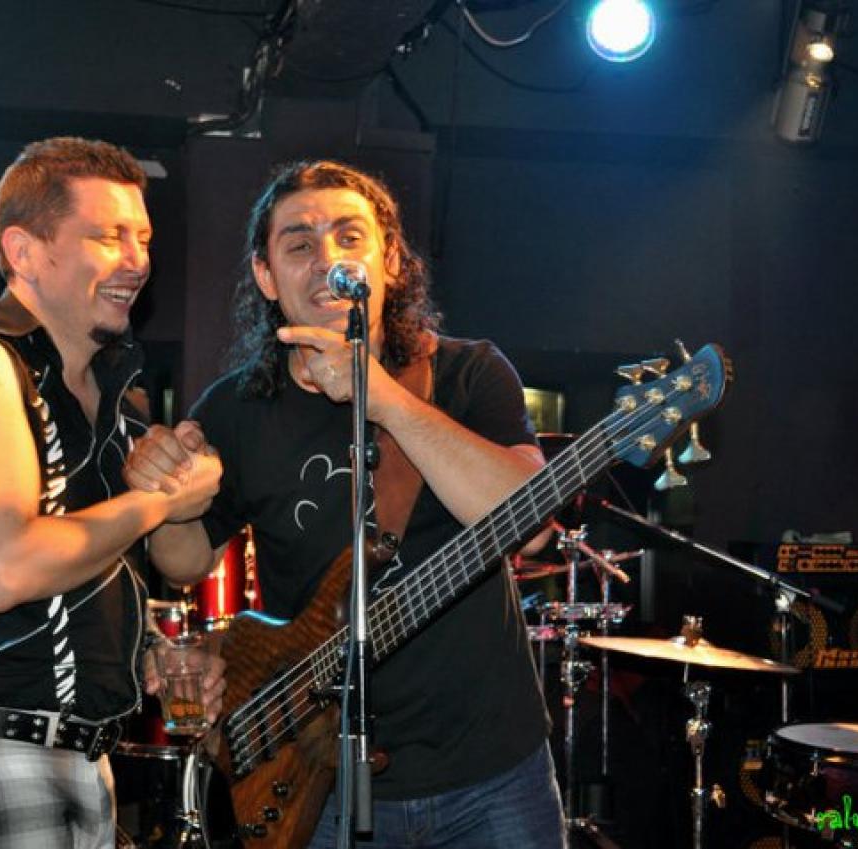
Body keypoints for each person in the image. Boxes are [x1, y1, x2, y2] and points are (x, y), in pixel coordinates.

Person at [134, 160, 565, 847]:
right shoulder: (237, 408)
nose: (327, 258)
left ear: (388, 260)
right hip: (319, 774)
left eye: (349, 236)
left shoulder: (469, 373)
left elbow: (527, 515)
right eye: (299, 244)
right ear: (267, 276)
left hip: (491, 772)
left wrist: (382, 395)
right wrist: (172, 498)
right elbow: (182, 562)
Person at [0, 136, 224, 849]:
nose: (137, 259)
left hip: (78, 753)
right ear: (25, 251)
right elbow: (6, 569)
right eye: (108, 236)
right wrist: (160, 500)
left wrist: (183, 485)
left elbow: (184, 560)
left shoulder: (114, 395)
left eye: (143, 238)